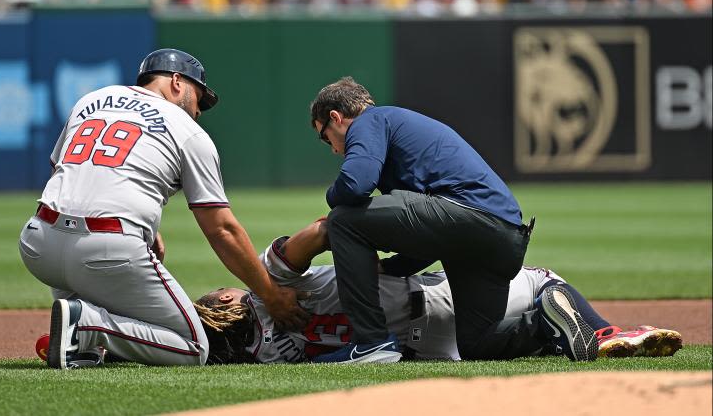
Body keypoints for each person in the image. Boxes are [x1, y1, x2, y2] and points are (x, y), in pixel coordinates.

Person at [18, 48, 307, 369]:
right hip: (105, 252)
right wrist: (269, 294)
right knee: (194, 347)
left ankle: (82, 337)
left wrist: (144, 227)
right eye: (199, 98)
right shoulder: (189, 132)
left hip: (38, 243)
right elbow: (221, 229)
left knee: (96, 287)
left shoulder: (91, 101)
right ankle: (88, 326)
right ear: (176, 82)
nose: (199, 111)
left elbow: (65, 170)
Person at [307, 77, 596, 363]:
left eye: (325, 137)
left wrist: (332, 196)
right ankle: (545, 320)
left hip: (466, 215)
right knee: (478, 343)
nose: (333, 149)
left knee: (343, 219)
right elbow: (428, 240)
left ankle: (371, 342)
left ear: (337, 117)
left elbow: (356, 185)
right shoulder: (395, 129)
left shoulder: (369, 121)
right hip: (504, 237)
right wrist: (390, 267)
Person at [191, 219, 682, 364]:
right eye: (222, 292)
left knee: (522, 338)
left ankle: (550, 331)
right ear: (229, 302)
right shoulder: (269, 287)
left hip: (428, 350)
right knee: (543, 280)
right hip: (430, 299)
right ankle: (599, 334)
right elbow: (325, 229)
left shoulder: (263, 357)